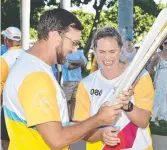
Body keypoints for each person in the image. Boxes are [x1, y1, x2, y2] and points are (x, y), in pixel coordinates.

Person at [2, 9, 130, 150]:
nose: (74, 49)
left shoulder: (28, 65)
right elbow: (57, 139)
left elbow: (55, 125)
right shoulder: (36, 77)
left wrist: (99, 132)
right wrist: (98, 119)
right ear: (55, 35)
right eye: (73, 42)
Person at [73, 27, 154, 150]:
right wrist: (101, 135)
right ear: (94, 51)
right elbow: (80, 129)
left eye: (112, 51)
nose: (107, 57)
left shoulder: (139, 76)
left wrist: (127, 106)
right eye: (101, 51)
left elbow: (143, 121)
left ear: (121, 50)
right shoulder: (86, 84)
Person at [0, 26, 22, 150]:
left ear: (7, 40)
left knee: (5, 141)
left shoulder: (4, 59)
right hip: (27, 104)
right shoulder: (29, 55)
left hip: (9, 107)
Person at [62, 49, 87, 119]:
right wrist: (79, 63)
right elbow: (69, 67)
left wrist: (72, 61)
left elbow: (84, 62)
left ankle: (72, 118)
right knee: (66, 101)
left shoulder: (79, 52)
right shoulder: (64, 53)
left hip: (78, 81)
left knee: (75, 101)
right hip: (68, 81)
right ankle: (65, 118)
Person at [148, 38, 167, 122]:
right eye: (166, 43)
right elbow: (151, 66)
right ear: (162, 44)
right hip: (159, 79)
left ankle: (164, 114)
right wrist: (148, 80)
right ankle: (155, 114)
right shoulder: (158, 55)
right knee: (159, 95)